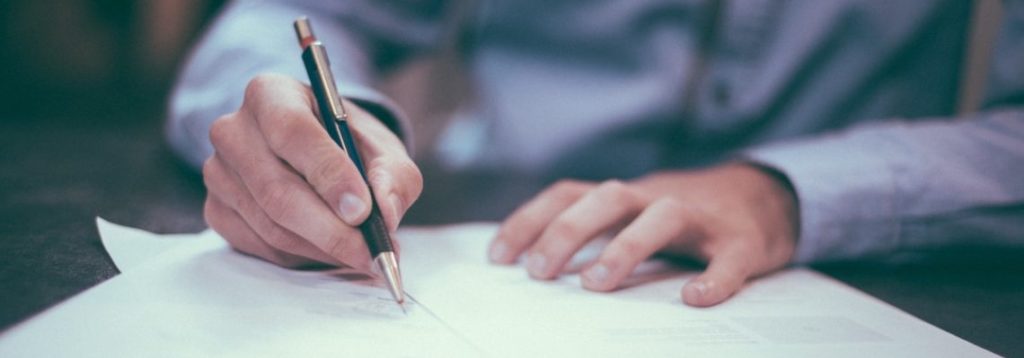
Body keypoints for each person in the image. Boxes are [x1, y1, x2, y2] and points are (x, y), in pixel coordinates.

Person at [167, 0, 1024, 307]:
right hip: (496, 240)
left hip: (858, 263)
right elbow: (285, 17)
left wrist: (785, 193)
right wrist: (305, 125)